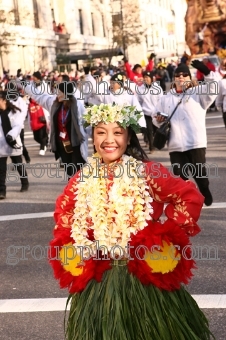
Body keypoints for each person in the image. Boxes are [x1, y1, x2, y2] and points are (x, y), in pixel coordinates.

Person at [49, 102, 214, 339]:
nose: (109, 140)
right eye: (101, 132)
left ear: (128, 139)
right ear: (93, 139)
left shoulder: (148, 172)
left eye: (117, 132)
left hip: (145, 278)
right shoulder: (81, 180)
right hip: (100, 282)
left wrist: (165, 237)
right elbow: (63, 216)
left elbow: (188, 197)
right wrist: (76, 249)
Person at [153, 61, 219, 206]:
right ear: (174, 78)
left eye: (184, 75)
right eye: (178, 75)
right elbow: (155, 116)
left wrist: (208, 73)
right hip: (175, 145)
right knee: (179, 177)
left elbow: (214, 89)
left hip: (195, 142)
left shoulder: (198, 93)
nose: (181, 77)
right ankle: (186, 202)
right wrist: (158, 120)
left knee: (199, 174)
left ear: (189, 78)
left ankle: (205, 190)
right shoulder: (166, 98)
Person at [23, 81, 88, 178]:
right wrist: (26, 86)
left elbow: (86, 124)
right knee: (69, 172)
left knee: (77, 172)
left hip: (75, 144)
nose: (57, 94)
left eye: (59, 92)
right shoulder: (54, 104)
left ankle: (78, 191)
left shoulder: (78, 106)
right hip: (61, 144)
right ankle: (70, 191)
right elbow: (39, 96)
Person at [0, 91, 29, 199]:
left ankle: (25, 182)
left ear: (3, 100)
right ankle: (2, 191)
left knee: (18, 164)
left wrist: (11, 135)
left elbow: (18, 126)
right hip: (1, 145)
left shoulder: (14, 112)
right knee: (1, 169)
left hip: (12, 143)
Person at [137, 71, 163, 152]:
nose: (146, 79)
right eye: (144, 77)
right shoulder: (140, 89)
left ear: (152, 79)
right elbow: (139, 101)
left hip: (156, 113)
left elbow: (161, 100)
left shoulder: (157, 88)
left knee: (155, 130)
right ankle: (151, 147)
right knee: (149, 130)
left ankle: (154, 142)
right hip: (146, 113)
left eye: (147, 77)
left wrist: (161, 111)